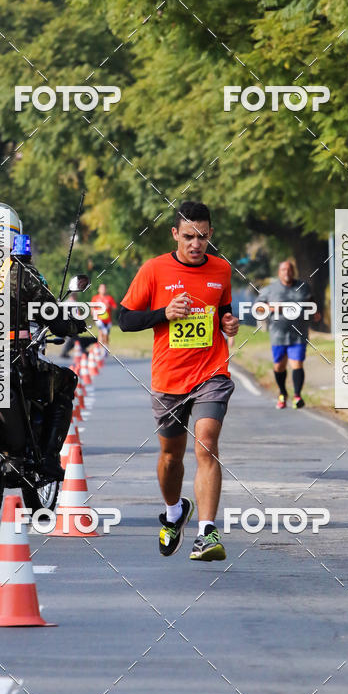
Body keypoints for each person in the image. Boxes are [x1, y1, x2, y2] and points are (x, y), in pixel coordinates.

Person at [119, 200, 239, 561]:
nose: (195, 244)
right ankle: (174, 511)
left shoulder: (222, 269)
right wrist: (163, 314)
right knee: (171, 457)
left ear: (210, 234)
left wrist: (228, 322)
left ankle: (206, 533)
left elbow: (223, 309)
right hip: (169, 379)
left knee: (206, 443)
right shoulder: (154, 270)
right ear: (175, 234)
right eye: (188, 236)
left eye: (202, 237)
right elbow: (124, 319)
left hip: (211, 372)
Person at [0, 203, 86, 482]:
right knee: (66, 382)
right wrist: (74, 325)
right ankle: (47, 459)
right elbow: (52, 313)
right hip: (12, 358)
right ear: (14, 235)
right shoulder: (20, 270)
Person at [258, 260, 319, 409]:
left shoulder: (303, 287)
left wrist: (315, 312)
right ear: (279, 273)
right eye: (284, 270)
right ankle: (282, 392)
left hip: (298, 333)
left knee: (297, 363)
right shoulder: (269, 290)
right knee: (279, 366)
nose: (287, 272)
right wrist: (272, 308)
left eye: (290, 269)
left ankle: (297, 396)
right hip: (278, 334)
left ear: (294, 272)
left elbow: (311, 301)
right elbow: (258, 307)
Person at [91, 282, 117, 347]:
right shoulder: (95, 298)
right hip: (99, 319)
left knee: (106, 335)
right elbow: (92, 308)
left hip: (107, 320)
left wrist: (109, 306)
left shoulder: (109, 298)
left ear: (106, 289)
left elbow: (115, 307)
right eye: (101, 288)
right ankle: (99, 348)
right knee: (101, 332)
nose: (103, 289)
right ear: (99, 289)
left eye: (104, 288)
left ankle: (106, 347)